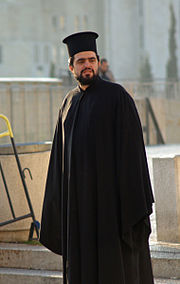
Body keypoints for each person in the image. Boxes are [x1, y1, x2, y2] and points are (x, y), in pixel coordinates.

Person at [40, 31, 154, 284]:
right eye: (81, 61)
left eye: (91, 59)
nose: (87, 65)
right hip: (78, 210)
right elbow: (58, 162)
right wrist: (56, 208)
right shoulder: (67, 103)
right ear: (71, 66)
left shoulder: (117, 98)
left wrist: (130, 207)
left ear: (98, 62)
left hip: (111, 210)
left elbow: (132, 156)